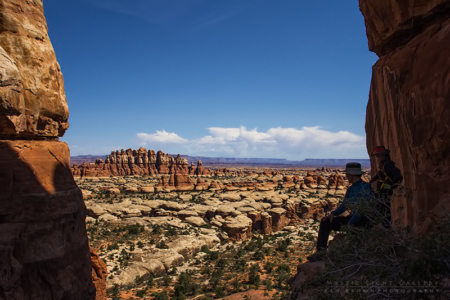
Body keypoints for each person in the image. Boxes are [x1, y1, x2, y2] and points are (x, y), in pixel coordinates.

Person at [307, 162, 372, 262]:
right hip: (353, 218)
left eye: (347, 175)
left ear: (351, 175)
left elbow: (361, 211)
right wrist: (333, 214)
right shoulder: (351, 189)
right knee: (325, 222)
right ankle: (321, 253)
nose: (346, 177)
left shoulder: (365, 188)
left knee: (351, 226)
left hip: (363, 220)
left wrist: (350, 223)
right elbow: (344, 206)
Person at [369, 146, 403, 227]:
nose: (377, 158)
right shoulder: (383, 164)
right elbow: (379, 175)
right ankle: (384, 226)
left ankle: (387, 227)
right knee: (381, 208)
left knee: (384, 209)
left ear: (383, 156)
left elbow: (397, 176)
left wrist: (391, 186)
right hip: (382, 190)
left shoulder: (388, 164)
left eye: (378, 156)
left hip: (385, 191)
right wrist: (371, 181)